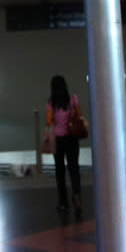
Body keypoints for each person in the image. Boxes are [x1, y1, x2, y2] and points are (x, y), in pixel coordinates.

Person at [45, 75, 82, 214]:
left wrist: (55, 118)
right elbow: (79, 115)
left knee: (60, 171)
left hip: (58, 141)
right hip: (72, 138)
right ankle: (77, 196)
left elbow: (49, 122)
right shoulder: (73, 99)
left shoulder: (51, 103)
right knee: (74, 169)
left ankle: (63, 202)